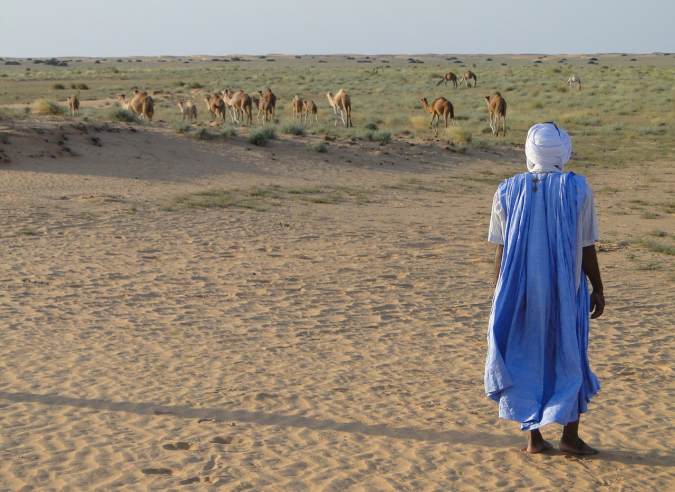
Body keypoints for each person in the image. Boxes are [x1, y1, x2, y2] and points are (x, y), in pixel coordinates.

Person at [485, 123, 605, 455]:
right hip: (567, 288)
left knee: (528, 351)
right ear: (562, 152)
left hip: (522, 289)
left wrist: (498, 292)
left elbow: (501, 248)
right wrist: (598, 288)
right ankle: (569, 437)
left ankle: (534, 439)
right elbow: (587, 245)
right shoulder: (579, 189)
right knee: (570, 351)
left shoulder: (507, 190)